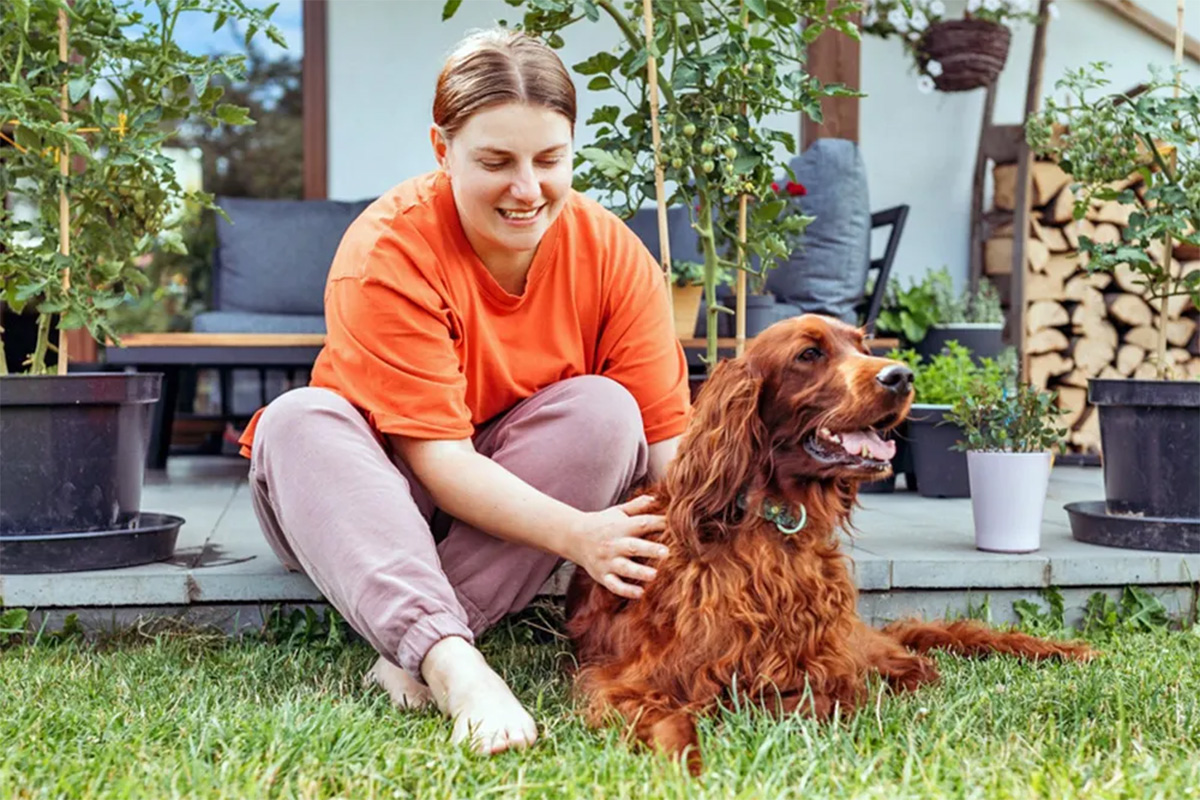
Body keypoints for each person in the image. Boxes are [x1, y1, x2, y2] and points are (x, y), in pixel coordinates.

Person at [237, 28, 691, 755]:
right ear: (442, 150)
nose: (527, 189)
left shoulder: (613, 255)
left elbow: (671, 454)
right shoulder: (389, 249)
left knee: (609, 412)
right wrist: (580, 536)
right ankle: (456, 669)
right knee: (298, 419)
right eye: (496, 162)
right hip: (369, 501)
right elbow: (440, 462)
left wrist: (750, 546)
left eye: (550, 160)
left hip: (507, 513)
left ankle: (412, 645)